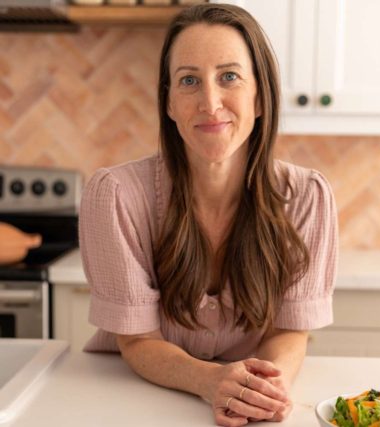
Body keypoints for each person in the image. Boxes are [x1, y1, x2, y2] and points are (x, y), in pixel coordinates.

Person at [79, 3, 338, 426]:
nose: (210, 102)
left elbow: (290, 330)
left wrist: (264, 392)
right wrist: (210, 381)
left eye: (229, 76)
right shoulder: (116, 196)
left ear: (260, 96)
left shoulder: (307, 197)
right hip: (128, 404)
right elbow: (137, 340)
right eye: (189, 81)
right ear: (168, 102)